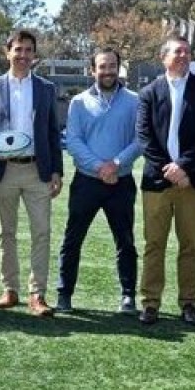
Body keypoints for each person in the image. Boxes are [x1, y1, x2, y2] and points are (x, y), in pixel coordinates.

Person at [0, 29, 63, 317]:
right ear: (7, 52)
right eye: (18, 49)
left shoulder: (46, 89)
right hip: (5, 170)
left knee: (42, 232)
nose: (23, 55)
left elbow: (53, 131)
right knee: (7, 233)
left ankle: (37, 295)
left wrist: (56, 172)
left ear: (34, 55)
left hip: (37, 170)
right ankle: (10, 289)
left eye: (28, 50)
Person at [136, 35, 195, 326]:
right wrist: (168, 170)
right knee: (154, 244)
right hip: (157, 183)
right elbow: (145, 137)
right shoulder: (149, 92)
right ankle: (150, 303)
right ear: (163, 57)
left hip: (193, 182)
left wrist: (184, 167)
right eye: (177, 51)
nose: (183, 55)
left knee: (190, 245)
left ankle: (189, 303)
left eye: (187, 51)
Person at [55, 48, 141, 315]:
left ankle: (128, 295)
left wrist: (115, 164)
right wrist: (99, 167)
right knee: (73, 239)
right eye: (102, 67)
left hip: (121, 182)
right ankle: (64, 294)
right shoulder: (79, 102)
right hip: (87, 182)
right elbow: (73, 141)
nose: (108, 71)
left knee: (125, 241)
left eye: (113, 66)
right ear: (92, 70)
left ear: (119, 68)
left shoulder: (135, 101)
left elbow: (141, 140)